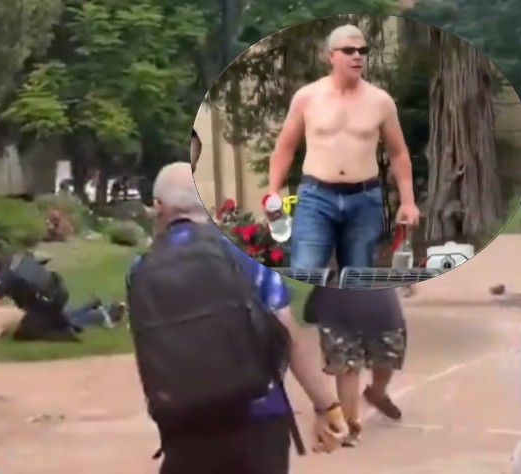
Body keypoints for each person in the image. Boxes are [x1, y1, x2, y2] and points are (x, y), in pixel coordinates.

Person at [127, 162, 348, 474]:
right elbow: (287, 336)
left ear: (158, 206)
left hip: (184, 423)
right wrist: (326, 405)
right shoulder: (244, 258)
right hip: (257, 418)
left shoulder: (140, 270)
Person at [266, 24, 420, 272]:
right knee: (306, 271)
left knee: (358, 277)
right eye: (348, 50)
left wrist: (408, 202)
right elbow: (285, 147)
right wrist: (272, 191)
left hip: (364, 199)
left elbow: (398, 152)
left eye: (362, 50)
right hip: (316, 197)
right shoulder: (308, 97)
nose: (357, 56)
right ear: (331, 56)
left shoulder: (380, 101)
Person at [303, 286, 407, 447]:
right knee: (347, 366)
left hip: (379, 301)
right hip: (338, 303)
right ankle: (349, 424)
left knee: (387, 356)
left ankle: (377, 392)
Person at [0, 252, 79, 343]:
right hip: (57, 290)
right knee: (42, 316)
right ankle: (65, 324)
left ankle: (66, 334)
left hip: (48, 301)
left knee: (23, 333)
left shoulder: (5, 277)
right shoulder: (15, 258)